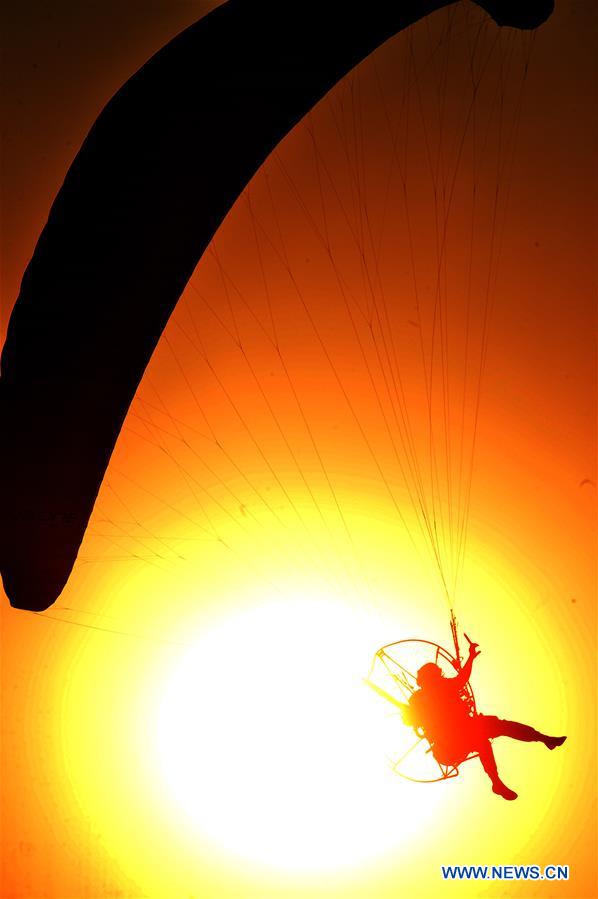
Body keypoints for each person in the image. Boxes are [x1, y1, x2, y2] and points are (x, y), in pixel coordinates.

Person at [402, 641, 566, 800]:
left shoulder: (443, 687)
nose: (439, 679)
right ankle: (497, 782)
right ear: (428, 679)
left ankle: (544, 739)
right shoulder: (420, 698)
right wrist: (412, 716)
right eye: (435, 676)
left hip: (464, 732)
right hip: (448, 747)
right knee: (484, 739)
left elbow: (461, 679)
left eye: (438, 676)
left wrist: (471, 657)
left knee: (499, 726)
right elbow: (410, 720)